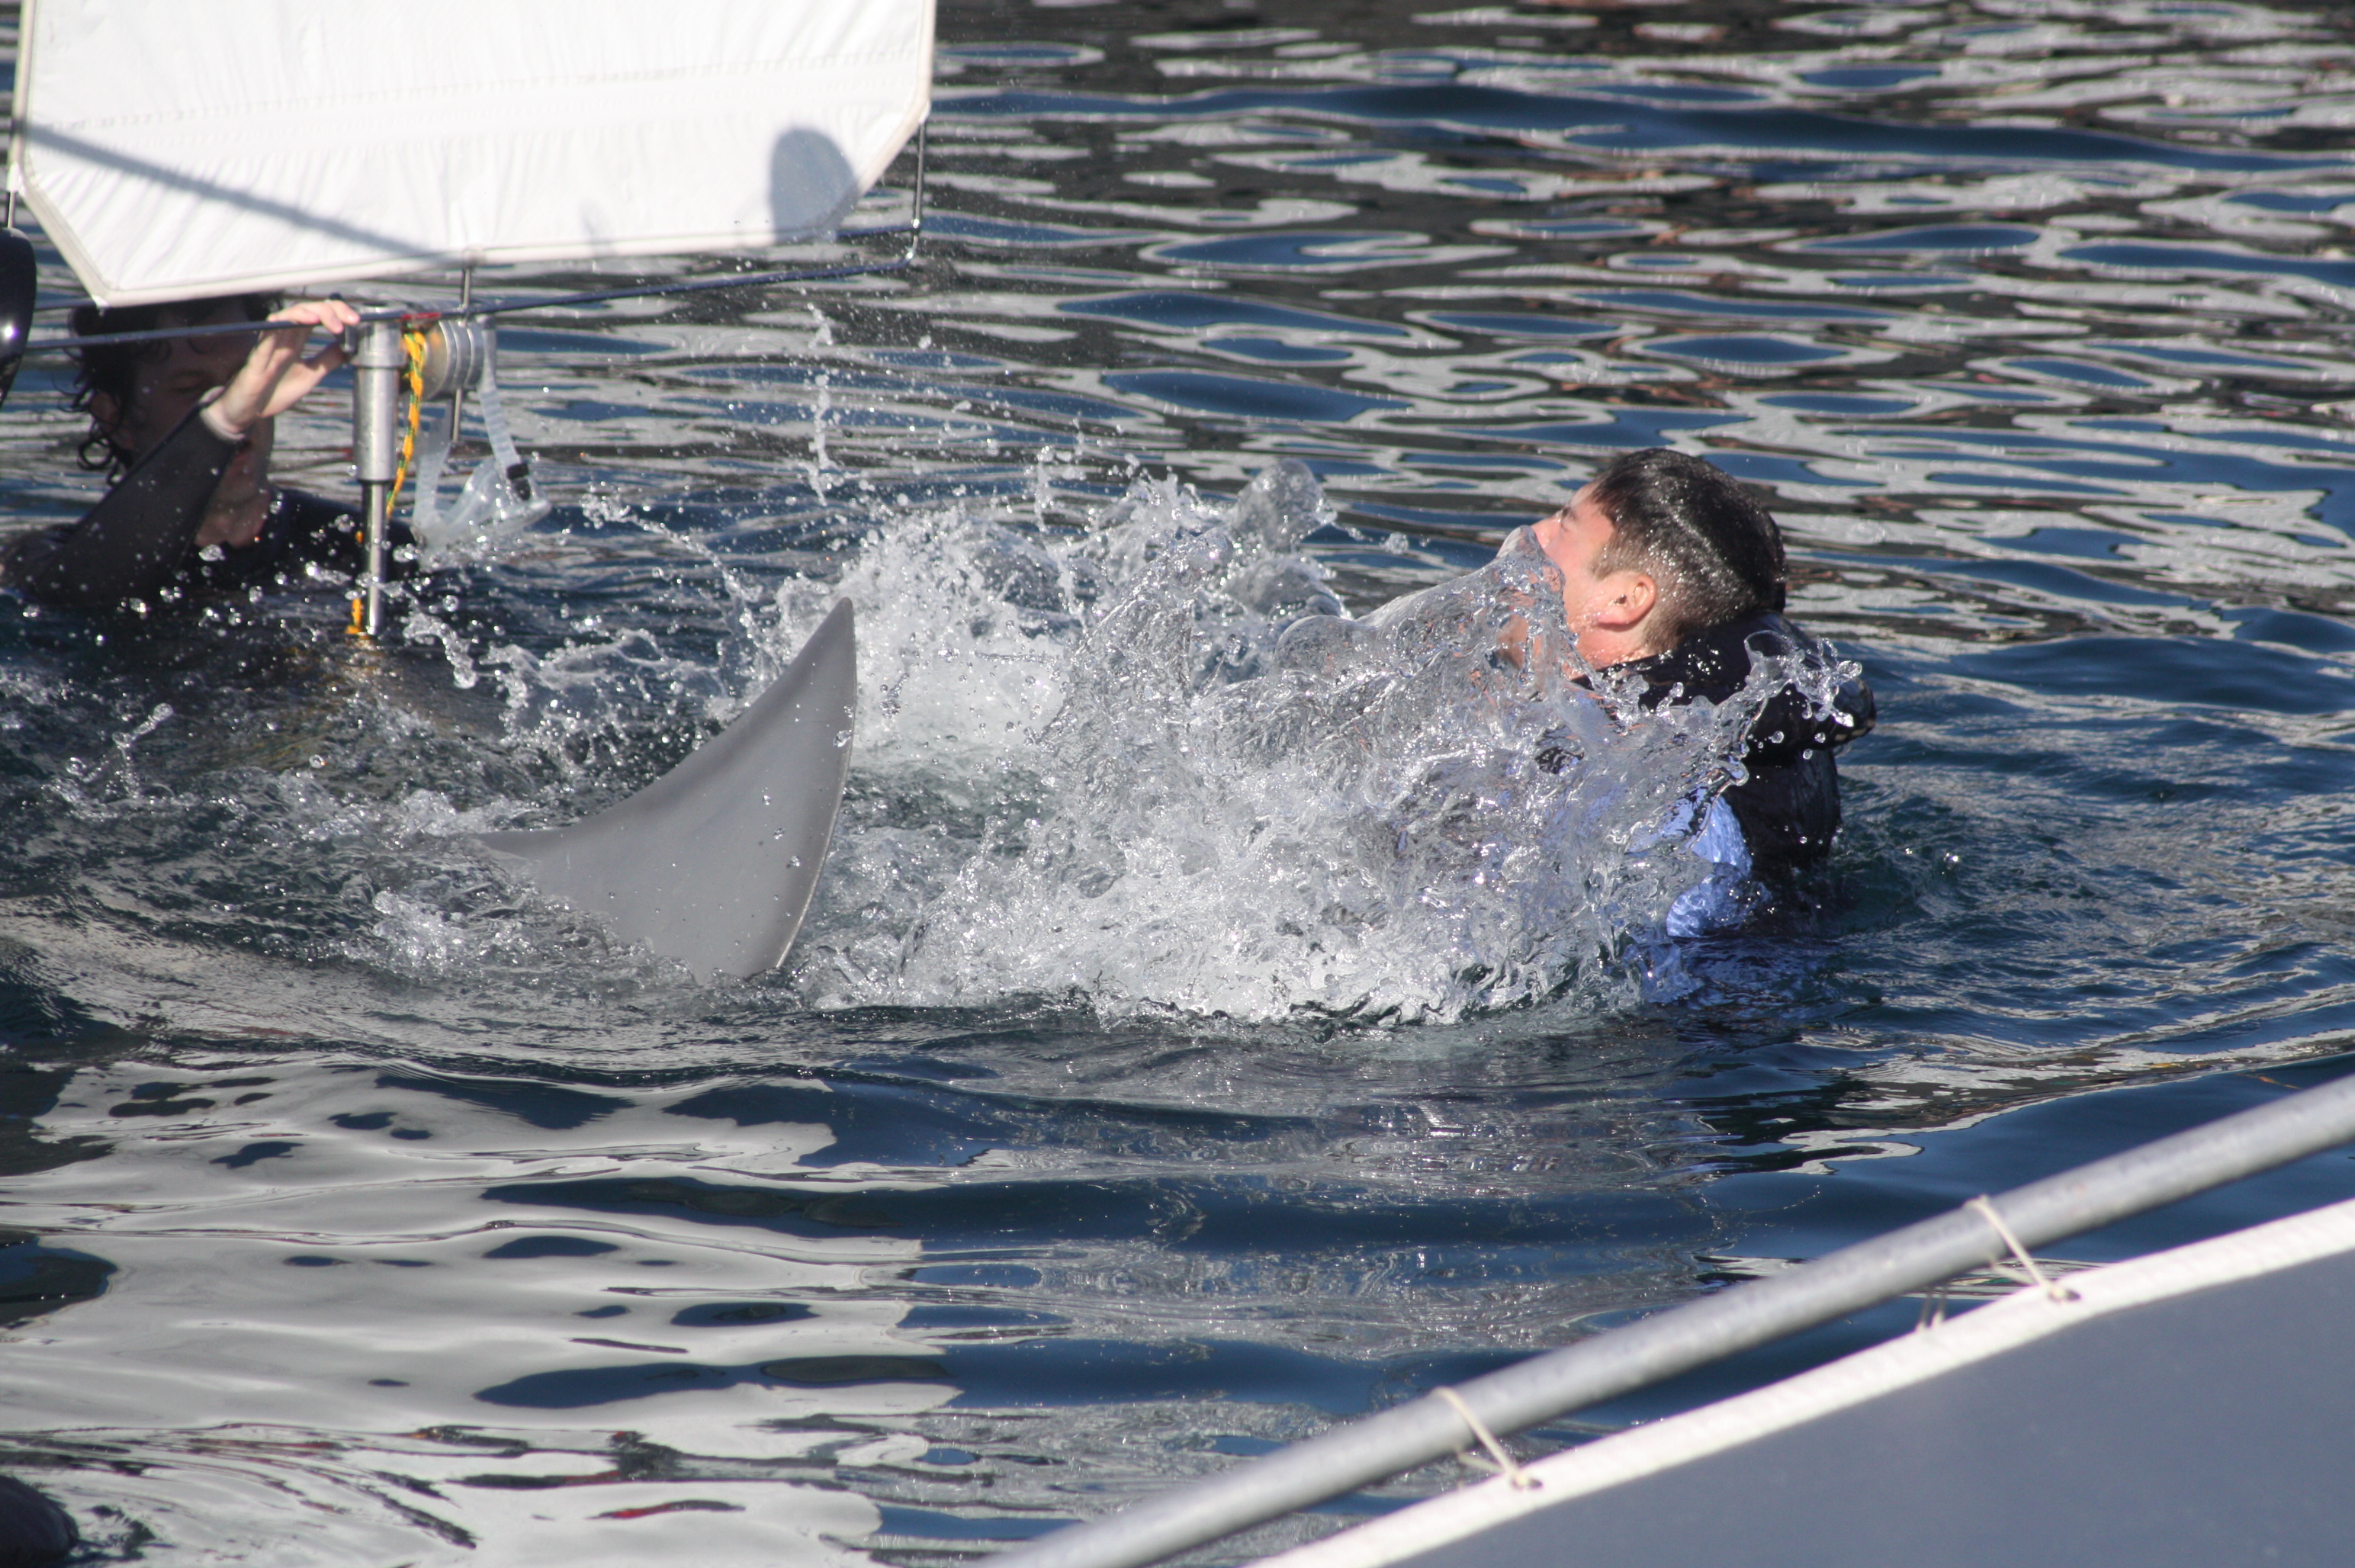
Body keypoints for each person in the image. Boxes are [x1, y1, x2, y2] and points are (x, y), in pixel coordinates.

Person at [1348, 448, 1873, 904]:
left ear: (1625, 598)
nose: (1529, 535)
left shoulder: (1643, 793)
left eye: (1563, 523)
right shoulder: (1732, 747)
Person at [0, 294, 397, 609]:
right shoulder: (49, 561)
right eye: (190, 388)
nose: (240, 403)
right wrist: (220, 424)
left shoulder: (360, 546)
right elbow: (84, 599)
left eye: (246, 379)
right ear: (117, 420)